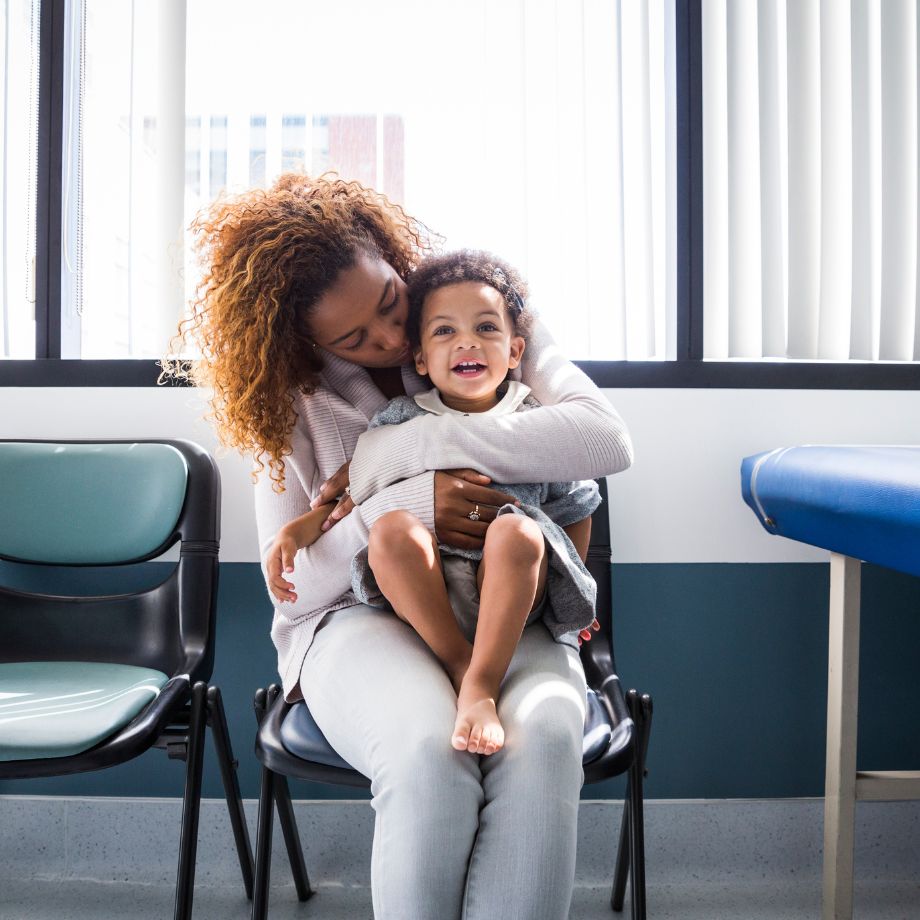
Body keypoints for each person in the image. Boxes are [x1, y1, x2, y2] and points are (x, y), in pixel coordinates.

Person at [166, 172, 633, 920]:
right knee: (429, 756)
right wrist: (412, 501)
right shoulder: (289, 400)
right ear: (307, 341)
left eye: (390, 304)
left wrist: (406, 449)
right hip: (353, 617)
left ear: (394, 259)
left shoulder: (474, 323)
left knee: (544, 739)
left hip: (503, 602)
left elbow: (604, 443)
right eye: (353, 338)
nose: (388, 339)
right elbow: (298, 582)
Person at [274, 249, 602, 758]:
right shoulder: (400, 417)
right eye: (445, 332)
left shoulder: (535, 414)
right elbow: (353, 489)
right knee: (391, 528)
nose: (467, 341)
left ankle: (482, 684)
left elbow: (575, 505)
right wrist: (303, 527)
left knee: (517, 532)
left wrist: (575, 591)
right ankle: (458, 664)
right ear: (423, 360)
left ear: (516, 350)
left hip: (512, 585)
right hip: (426, 591)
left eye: (486, 330)